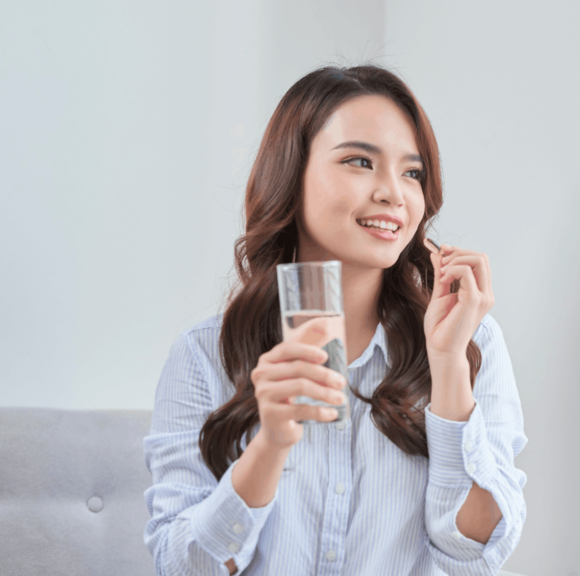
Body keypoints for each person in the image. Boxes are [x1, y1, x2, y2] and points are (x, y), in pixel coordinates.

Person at [142, 63, 528, 576]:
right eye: (359, 161)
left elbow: (472, 558)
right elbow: (181, 565)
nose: (394, 192)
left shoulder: (470, 338)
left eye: (412, 172)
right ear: (291, 174)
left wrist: (449, 370)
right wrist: (270, 445)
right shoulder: (205, 353)